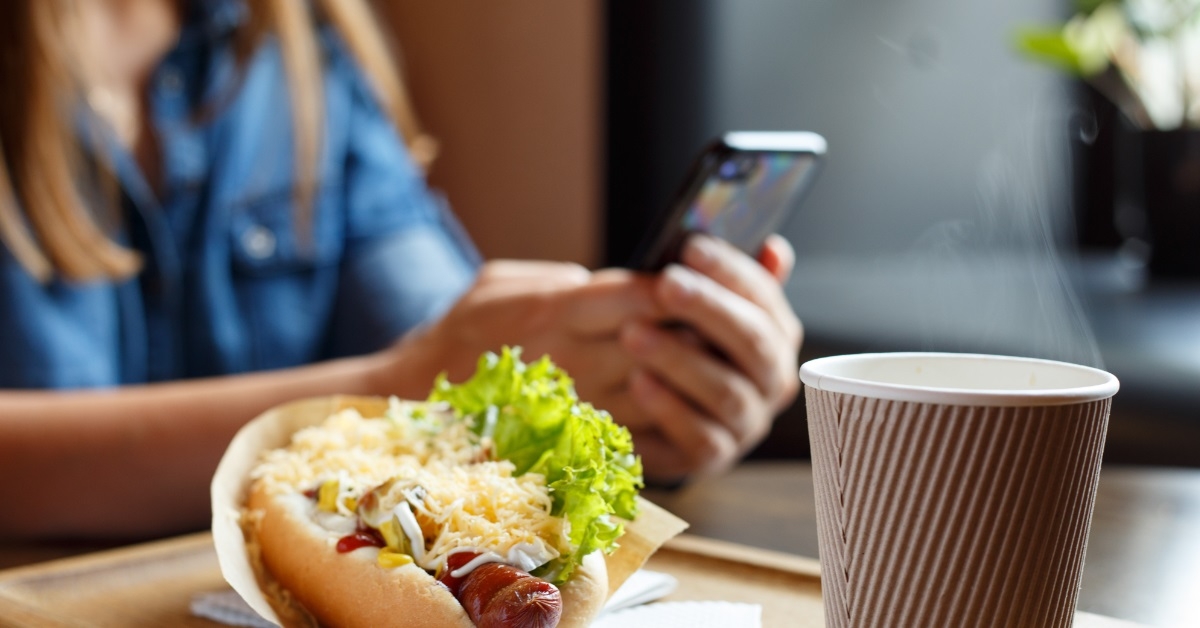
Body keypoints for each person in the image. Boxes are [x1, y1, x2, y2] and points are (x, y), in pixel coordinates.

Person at [0, 0, 802, 540]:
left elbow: (438, 327)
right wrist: (409, 385)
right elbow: (425, 370)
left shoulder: (297, 45)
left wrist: (635, 385)